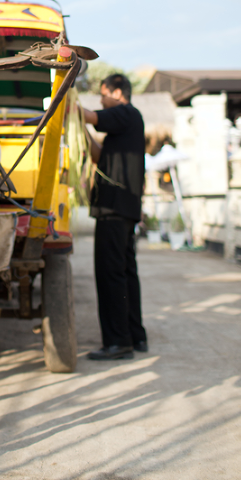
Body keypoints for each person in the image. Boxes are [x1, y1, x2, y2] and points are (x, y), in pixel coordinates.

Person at [83, 73, 147, 360]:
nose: (101, 99)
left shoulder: (127, 113)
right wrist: (79, 128)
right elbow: (98, 155)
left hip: (114, 208)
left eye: (104, 93)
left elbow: (90, 115)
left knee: (111, 276)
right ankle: (135, 336)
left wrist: (65, 101)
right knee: (125, 273)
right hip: (123, 209)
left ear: (118, 92)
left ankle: (118, 342)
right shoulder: (123, 128)